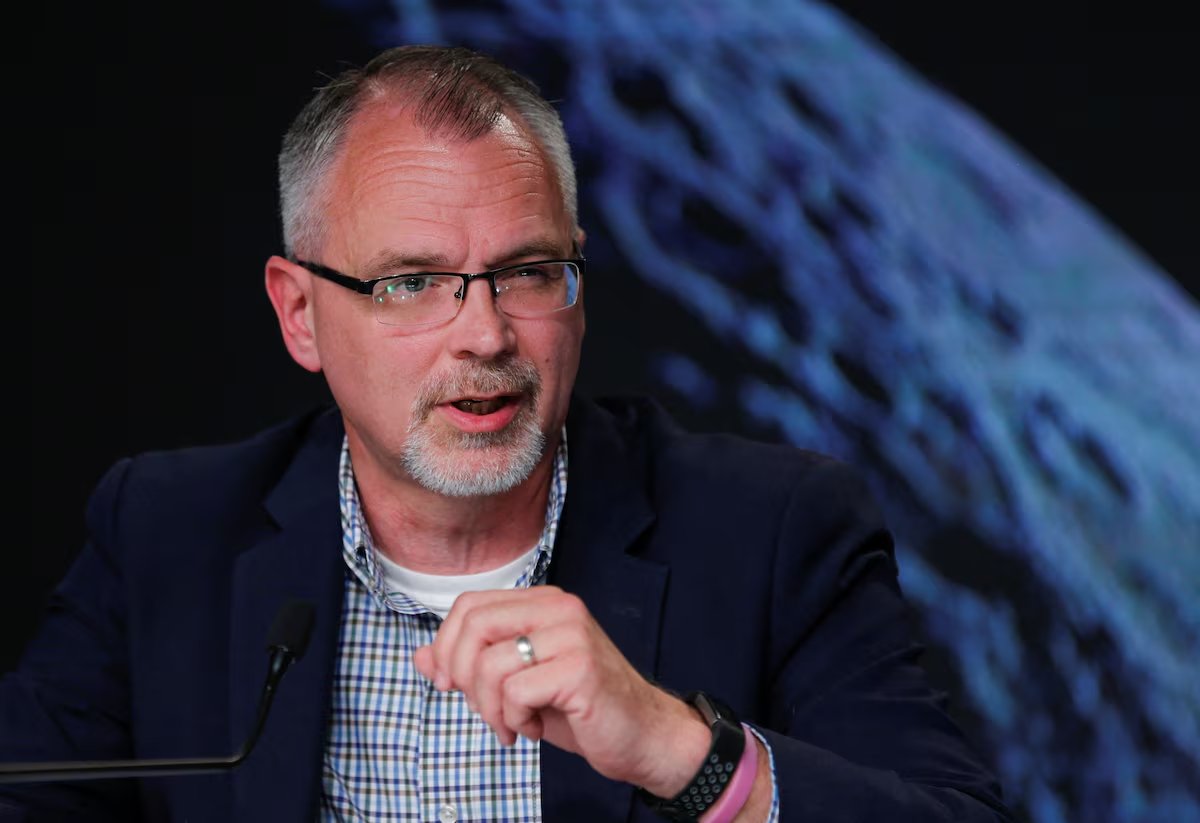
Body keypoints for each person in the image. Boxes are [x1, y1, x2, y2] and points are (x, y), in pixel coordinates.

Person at [1, 45, 1013, 822]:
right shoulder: (165, 531)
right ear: (299, 314)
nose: (485, 335)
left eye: (528, 272)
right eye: (413, 283)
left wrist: (679, 749)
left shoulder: (774, 531)